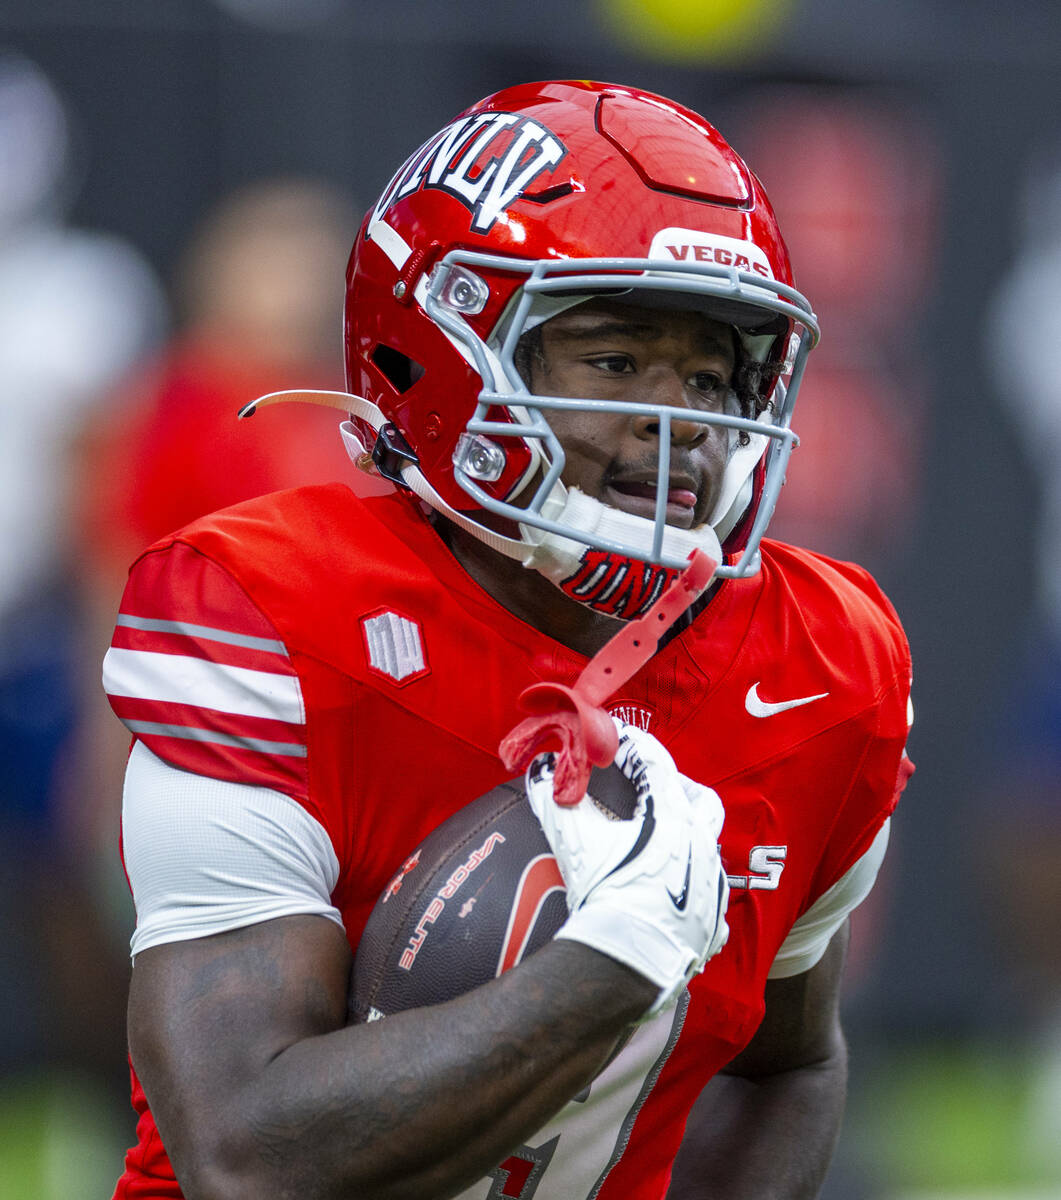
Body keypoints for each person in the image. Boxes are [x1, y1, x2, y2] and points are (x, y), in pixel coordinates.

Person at [101, 80, 914, 1200]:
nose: (673, 420)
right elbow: (248, 1154)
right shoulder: (272, 609)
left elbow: (784, 1064)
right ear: (439, 349)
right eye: (616, 361)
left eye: (712, 374)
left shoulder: (819, 655)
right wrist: (609, 965)